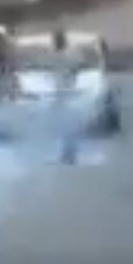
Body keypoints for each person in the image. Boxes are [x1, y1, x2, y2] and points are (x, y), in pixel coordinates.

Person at [51, 27, 81, 165]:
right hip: (62, 92)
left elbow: (75, 69)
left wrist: (70, 82)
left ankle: (70, 153)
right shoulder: (63, 55)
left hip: (66, 93)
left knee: (67, 124)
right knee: (65, 124)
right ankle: (68, 152)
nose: (55, 42)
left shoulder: (66, 55)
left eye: (57, 40)